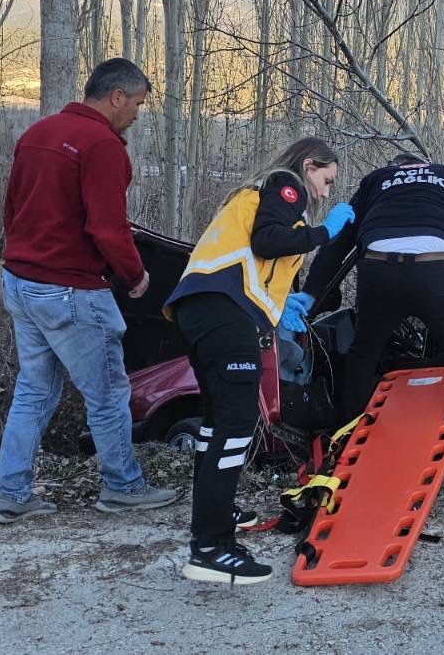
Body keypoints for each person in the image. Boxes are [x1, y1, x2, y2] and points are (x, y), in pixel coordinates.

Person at [0, 58, 178, 524]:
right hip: (70, 290)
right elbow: (108, 227)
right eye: (137, 104)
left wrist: (22, 258)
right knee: (110, 392)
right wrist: (135, 277)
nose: (136, 113)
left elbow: (12, 210)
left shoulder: (37, 134)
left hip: (22, 281)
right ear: (116, 97)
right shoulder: (102, 145)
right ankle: (122, 485)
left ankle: (11, 492)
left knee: (34, 390)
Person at [166, 137, 354, 585]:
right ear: (309, 166)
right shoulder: (286, 185)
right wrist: (326, 231)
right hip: (224, 311)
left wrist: (284, 302)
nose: (325, 192)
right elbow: (269, 241)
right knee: (235, 425)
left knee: (216, 424)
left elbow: (260, 258)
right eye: (326, 180)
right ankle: (211, 547)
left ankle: (219, 510)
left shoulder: (258, 193)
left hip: (201, 310)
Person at [303, 152, 444, 486]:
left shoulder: (376, 181)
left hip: (377, 270)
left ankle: (346, 450)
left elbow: (340, 240)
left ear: (395, 168)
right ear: (424, 165)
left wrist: (310, 294)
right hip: (435, 268)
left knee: (363, 355)